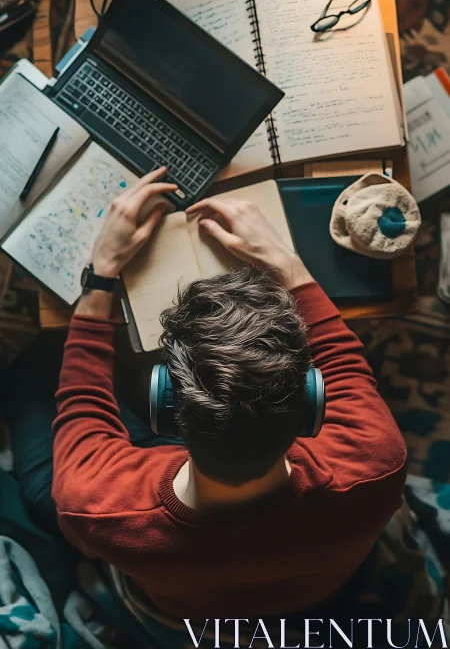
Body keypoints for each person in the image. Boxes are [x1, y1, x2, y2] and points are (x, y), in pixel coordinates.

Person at [5, 167, 408, 639]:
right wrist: (287, 263)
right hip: (319, 594)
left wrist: (100, 278)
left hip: (171, 604)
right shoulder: (375, 461)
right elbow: (346, 364)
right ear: (314, 400)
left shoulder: (97, 503)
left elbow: (81, 404)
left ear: (164, 404)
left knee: (38, 365)